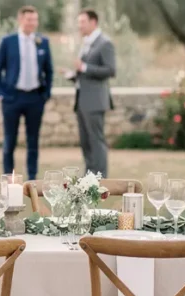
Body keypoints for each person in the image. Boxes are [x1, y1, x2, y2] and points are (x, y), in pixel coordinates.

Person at [0, 6, 54, 181]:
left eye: (35, 20)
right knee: (9, 141)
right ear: (21, 20)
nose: (32, 23)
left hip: (35, 97)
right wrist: (0, 93)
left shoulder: (43, 41)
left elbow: (49, 70)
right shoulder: (8, 41)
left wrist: (46, 93)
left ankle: (32, 178)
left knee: (33, 141)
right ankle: (8, 178)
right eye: (29, 19)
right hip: (12, 98)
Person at [66, 9, 115, 177]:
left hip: (95, 102)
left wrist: (84, 67)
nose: (80, 26)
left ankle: (101, 179)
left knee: (96, 141)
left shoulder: (105, 43)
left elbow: (110, 70)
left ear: (93, 22)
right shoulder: (87, 43)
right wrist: (73, 75)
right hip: (82, 101)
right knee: (86, 142)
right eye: (79, 22)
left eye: (82, 22)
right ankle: (89, 177)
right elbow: (85, 72)